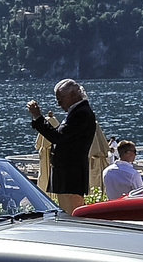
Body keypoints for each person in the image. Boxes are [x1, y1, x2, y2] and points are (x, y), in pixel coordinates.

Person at [28, 79, 98, 211]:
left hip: (71, 176)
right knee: (68, 211)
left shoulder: (81, 113)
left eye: (60, 100)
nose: (59, 104)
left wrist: (38, 117)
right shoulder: (78, 112)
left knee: (71, 216)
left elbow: (57, 136)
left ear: (72, 95)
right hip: (68, 176)